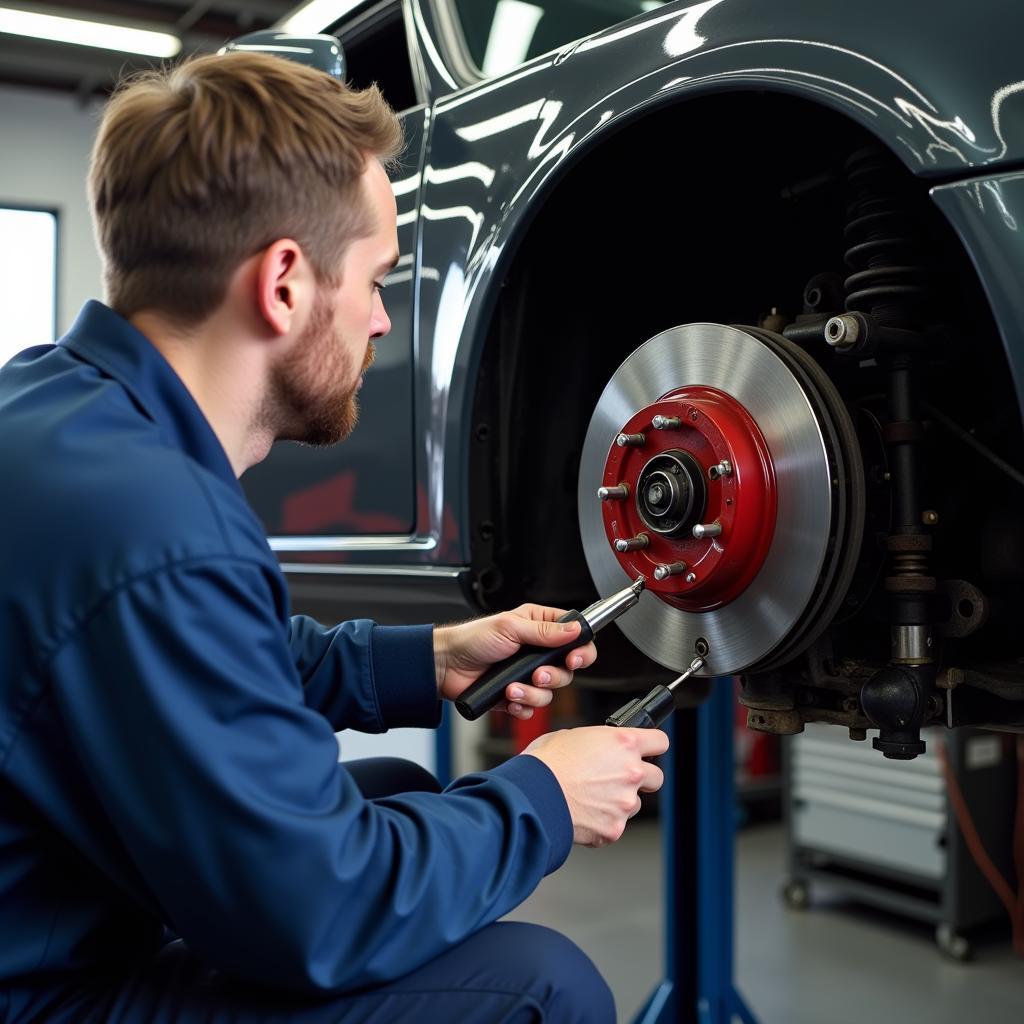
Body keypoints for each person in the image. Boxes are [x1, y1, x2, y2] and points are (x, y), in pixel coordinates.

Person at [0, 52, 668, 1023]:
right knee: (541, 987)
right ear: (282, 283)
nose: (383, 319)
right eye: (375, 278)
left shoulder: (52, 404)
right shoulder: (165, 524)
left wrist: (424, 658)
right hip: (37, 992)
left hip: (42, 908)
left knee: (396, 785)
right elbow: (316, 914)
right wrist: (543, 798)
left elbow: (183, 660)